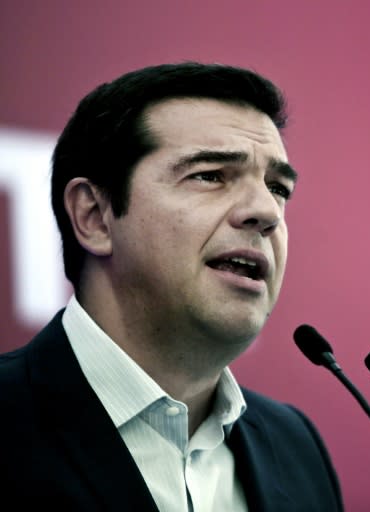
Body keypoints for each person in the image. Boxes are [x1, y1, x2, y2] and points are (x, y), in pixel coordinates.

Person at [0, 62, 343, 511]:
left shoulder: (296, 448)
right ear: (94, 217)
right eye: (210, 175)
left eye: (278, 187)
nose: (267, 211)